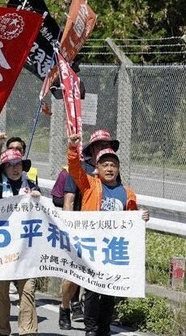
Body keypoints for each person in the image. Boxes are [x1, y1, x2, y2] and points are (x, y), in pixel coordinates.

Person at [66, 134, 148, 336]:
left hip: (113, 248)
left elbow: (132, 219)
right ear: (97, 168)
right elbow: (75, 169)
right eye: (105, 164)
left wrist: (142, 217)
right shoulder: (89, 185)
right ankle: (91, 328)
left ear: (118, 168)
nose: (109, 168)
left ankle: (104, 327)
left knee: (110, 291)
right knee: (93, 290)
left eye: (113, 164)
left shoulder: (127, 193)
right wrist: (72, 148)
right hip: (93, 246)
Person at [61, 129, 120, 328]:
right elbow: (68, 199)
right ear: (92, 150)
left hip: (103, 238)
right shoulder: (81, 171)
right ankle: (65, 306)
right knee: (73, 275)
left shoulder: (111, 172)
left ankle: (95, 323)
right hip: (81, 229)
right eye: (101, 145)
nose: (105, 149)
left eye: (108, 145)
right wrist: (70, 227)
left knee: (96, 282)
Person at [0, 132, 40, 336]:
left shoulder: (31, 185)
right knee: (0, 292)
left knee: (28, 290)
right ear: (4, 168)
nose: (15, 169)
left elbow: (43, 212)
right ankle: (2, 331)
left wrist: (37, 198)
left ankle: (27, 331)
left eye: (18, 164)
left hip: (26, 249)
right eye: (10, 165)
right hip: (2, 249)